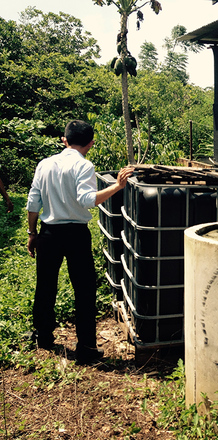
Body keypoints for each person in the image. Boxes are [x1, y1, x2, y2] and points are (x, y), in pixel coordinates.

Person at [26, 120, 134, 364]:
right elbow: (87, 200)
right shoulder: (84, 166)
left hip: (48, 233)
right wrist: (117, 186)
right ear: (91, 143)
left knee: (45, 286)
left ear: (64, 140)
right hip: (75, 235)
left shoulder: (44, 164)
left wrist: (32, 234)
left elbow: (33, 203)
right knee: (84, 290)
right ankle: (85, 348)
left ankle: (43, 337)